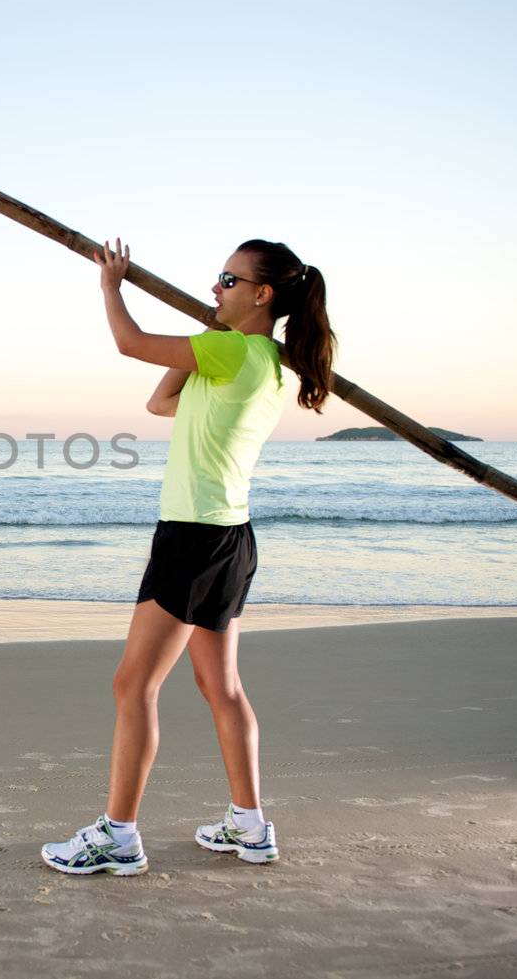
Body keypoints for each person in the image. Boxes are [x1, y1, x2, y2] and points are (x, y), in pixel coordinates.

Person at [40, 236, 336, 875]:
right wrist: (208, 327)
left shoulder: (231, 351)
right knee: (219, 685)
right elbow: (159, 402)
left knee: (133, 684)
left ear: (264, 294)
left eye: (228, 282)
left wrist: (111, 287)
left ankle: (118, 835)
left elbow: (129, 344)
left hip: (192, 537)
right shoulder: (262, 362)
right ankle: (249, 826)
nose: (214, 289)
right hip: (230, 537)